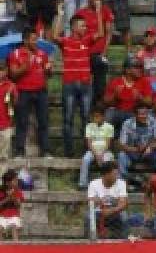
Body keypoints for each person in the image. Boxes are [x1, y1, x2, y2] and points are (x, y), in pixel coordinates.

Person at [54, 13, 103, 156]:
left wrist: (98, 11)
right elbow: (55, 36)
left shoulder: (87, 40)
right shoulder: (66, 41)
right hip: (69, 84)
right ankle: (69, 152)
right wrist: (60, 15)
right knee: (68, 119)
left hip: (85, 85)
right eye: (82, 25)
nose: (85, 28)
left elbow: (100, 33)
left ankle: (87, 151)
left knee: (86, 119)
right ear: (74, 27)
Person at [8, 28, 51, 157]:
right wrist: (24, 67)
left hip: (41, 91)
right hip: (23, 91)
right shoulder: (15, 54)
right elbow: (13, 75)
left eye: (36, 39)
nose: (35, 42)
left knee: (43, 121)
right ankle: (20, 150)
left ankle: (46, 150)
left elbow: (48, 74)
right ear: (25, 40)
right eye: (33, 39)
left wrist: (48, 69)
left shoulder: (42, 54)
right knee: (22, 122)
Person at [117, 104, 156, 182]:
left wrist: (150, 147)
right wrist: (136, 149)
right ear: (135, 115)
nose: (143, 116)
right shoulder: (127, 123)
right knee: (121, 155)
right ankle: (123, 181)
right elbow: (121, 145)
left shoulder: (152, 121)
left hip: (149, 152)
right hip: (133, 153)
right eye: (141, 114)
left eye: (145, 114)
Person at [87, 161, 129, 239]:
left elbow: (123, 204)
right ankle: (91, 241)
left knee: (124, 216)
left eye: (117, 174)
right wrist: (100, 203)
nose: (117, 176)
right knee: (89, 217)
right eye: (114, 174)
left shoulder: (121, 183)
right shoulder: (93, 184)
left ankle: (123, 242)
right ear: (106, 175)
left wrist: (112, 210)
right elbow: (90, 202)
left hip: (115, 212)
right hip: (99, 213)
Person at [79, 107, 115, 189]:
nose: (96, 119)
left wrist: (101, 154)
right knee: (85, 159)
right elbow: (89, 143)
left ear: (103, 117)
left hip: (105, 150)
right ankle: (82, 183)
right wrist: (96, 155)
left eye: (98, 116)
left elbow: (108, 143)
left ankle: (108, 183)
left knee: (108, 161)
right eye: (94, 117)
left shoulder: (109, 127)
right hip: (92, 150)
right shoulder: (89, 126)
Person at [0, 168, 22, 240]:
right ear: (7, 182)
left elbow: (18, 205)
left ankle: (16, 246)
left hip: (14, 215)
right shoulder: (1, 191)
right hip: (2, 215)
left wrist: (13, 197)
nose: (17, 182)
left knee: (14, 227)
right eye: (15, 180)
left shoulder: (17, 191)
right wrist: (7, 198)